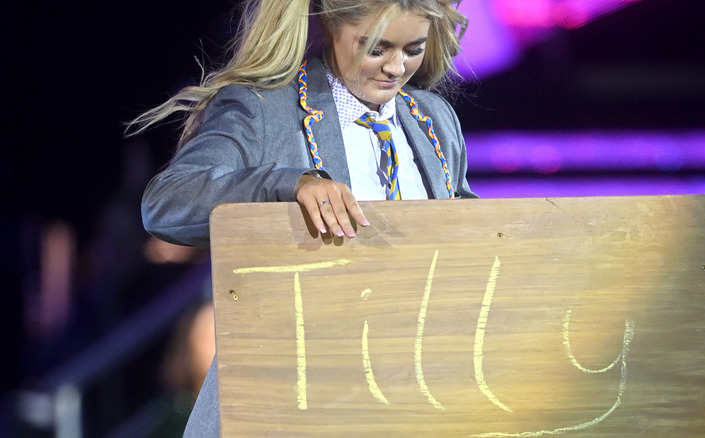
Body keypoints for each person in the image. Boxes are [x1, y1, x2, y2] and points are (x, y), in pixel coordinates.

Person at [129, 0, 477, 434]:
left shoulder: (434, 119)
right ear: (332, 25)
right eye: (376, 48)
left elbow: (470, 237)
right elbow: (166, 203)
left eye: (413, 49)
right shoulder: (265, 111)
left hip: (412, 399)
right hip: (294, 405)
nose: (395, 67)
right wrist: (289, 183)